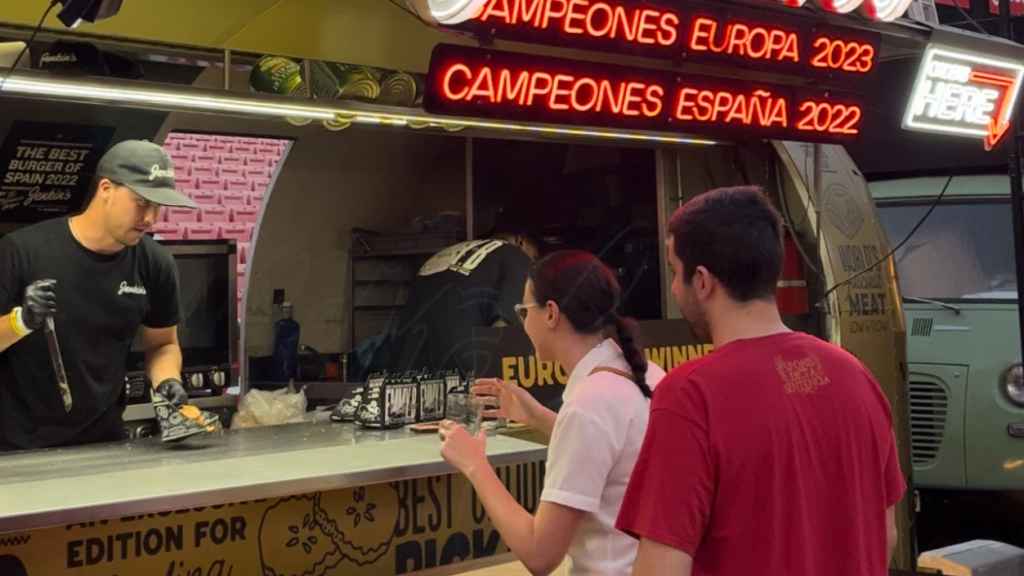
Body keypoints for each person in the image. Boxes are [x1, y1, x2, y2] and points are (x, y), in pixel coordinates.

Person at [615, 186, 906, 576]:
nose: (673, 287)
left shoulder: (690, 395)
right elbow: (885, 535)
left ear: (702, 280)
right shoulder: (855, 374)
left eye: (673, 271)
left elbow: (660, 570)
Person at [439, 250, 665, 576]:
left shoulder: (589, 403)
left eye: (523, 311)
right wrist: (538, 417)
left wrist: (475, 464)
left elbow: (540, 554)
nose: (523, 323)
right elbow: (613, 452)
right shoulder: (645, 374)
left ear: (551, 314)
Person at [0, 140, 196, 451]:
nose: (150, 218)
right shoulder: (21, 251)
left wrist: (167, 380)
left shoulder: (155, 263)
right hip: (18, 446)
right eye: (142, 202)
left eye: (158, 206)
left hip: (105, 442)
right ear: (106, 188)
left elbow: (162, 343)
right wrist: (22, 321)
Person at [373, 230, 541, 375]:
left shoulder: (445, 253)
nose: (533, 262)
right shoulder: (514, 255)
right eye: (534, 256)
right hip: (464, 368)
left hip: (407, 368)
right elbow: (507, 327)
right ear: (521, 241)